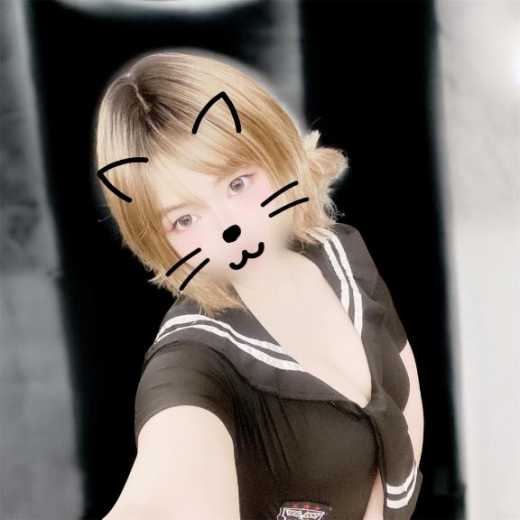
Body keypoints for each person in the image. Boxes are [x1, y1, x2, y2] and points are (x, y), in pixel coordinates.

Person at [94, 50, 424, 520]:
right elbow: (167, 482)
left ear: (272, 147)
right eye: (185, 218)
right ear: (156, 238)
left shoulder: (339, 251)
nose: (228, 228)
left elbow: (403, 408)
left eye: (237, 184)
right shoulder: (191, 360)